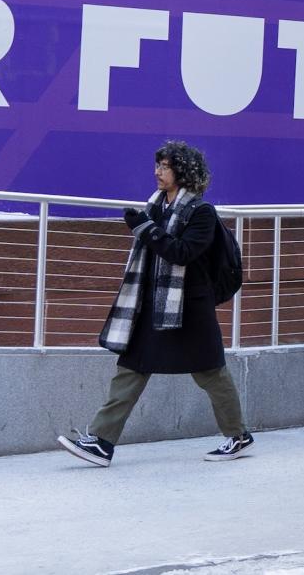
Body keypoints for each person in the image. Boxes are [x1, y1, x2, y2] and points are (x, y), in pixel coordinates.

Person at [59, 141, 251, 467]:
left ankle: (238, 436)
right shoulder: (156, 206)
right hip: (152, 306)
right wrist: (147, 224)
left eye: (164, 167)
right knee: (130, 369)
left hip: (190, 309)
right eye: (158, 166)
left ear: (183, 172)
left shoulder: (201, 212)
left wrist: (145, 229)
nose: (157, 172)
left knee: (211, 374)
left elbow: (183, 252)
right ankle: (101, 442)